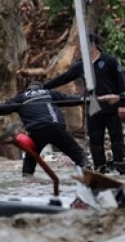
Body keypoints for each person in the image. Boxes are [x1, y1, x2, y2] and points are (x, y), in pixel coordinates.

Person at [0, 82, 119, 177]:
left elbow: (3, 108)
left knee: (30, 159)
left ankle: (27, 179)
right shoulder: (49, 93)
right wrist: (89, 99)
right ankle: (89, 175)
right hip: (55, 128)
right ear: (40, 88)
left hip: (36, 132)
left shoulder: (21, 97)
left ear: (28, 89)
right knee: (78, 155)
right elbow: (70, 99)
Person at [44, 33, 125, 174]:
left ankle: (120, 165)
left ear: (94, 44)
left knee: (116, 138)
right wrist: (44, 87)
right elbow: (65, 77)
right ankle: (100, 167)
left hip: (111, 107)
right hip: (93, 106)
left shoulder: (109, 61)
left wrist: (122, 104)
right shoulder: (82, 65)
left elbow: (121, 82)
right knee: (95, 139)